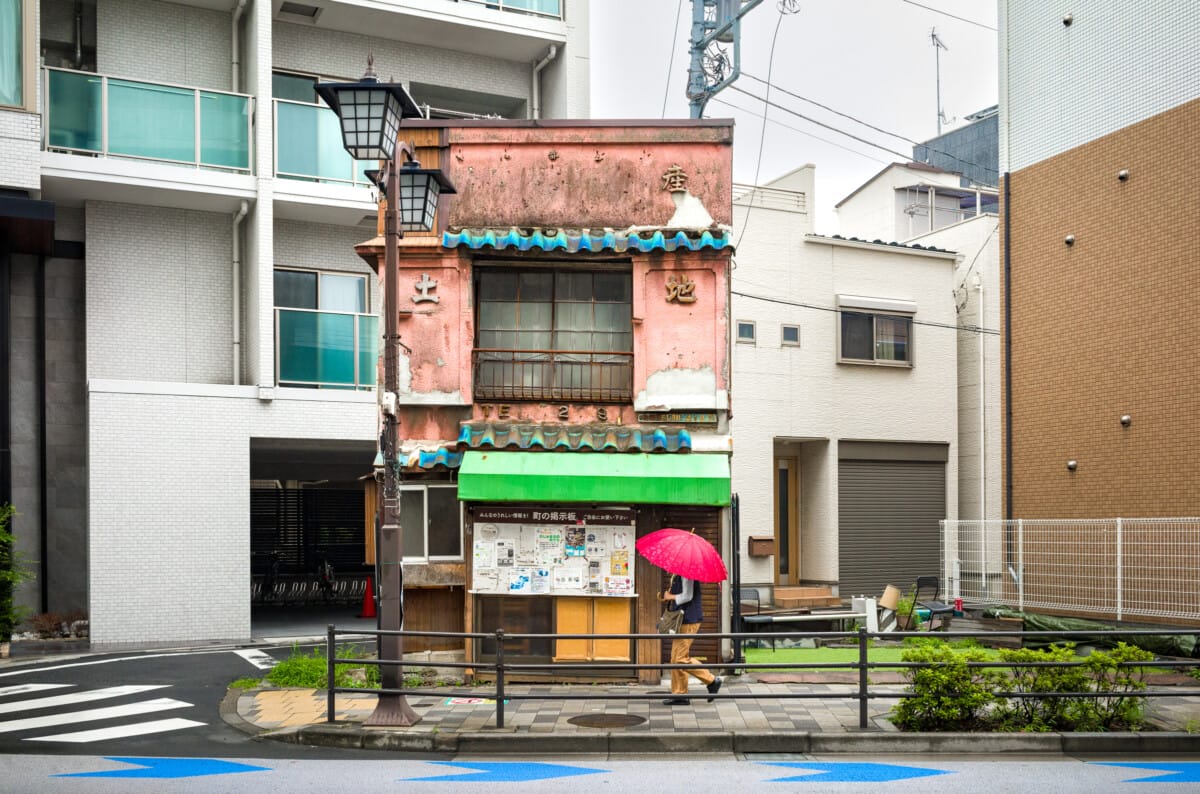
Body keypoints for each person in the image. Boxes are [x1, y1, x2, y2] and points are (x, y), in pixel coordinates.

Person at [660, 574, 722, 705]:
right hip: (683, 619)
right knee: (676, 658)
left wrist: (670, 596)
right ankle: (680, 694)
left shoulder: (687, 574)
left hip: (689, 619)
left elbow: (687, 596)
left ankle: (711, 680)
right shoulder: (678, 574)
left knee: (679, 659)